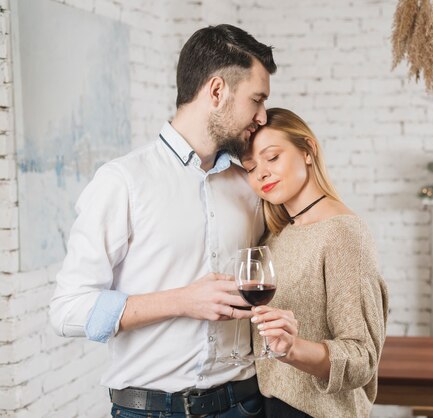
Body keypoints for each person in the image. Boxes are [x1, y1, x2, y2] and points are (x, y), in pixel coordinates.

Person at [49, 24, 276, 418]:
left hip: (243, 404)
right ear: (217, 91)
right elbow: (67, 310)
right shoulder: (123, 181)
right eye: (256, 100)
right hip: (150, 410)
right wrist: (182, 301)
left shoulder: (248, 186)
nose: (263, 115)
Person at [240, 108, 389, 418]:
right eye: (251, 167)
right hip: (269, 407)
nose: (261, 174)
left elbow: (362, 357)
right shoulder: (277, 235)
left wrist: (292, 349)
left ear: (308, 150)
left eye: (272, 157)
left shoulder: (343, 233)